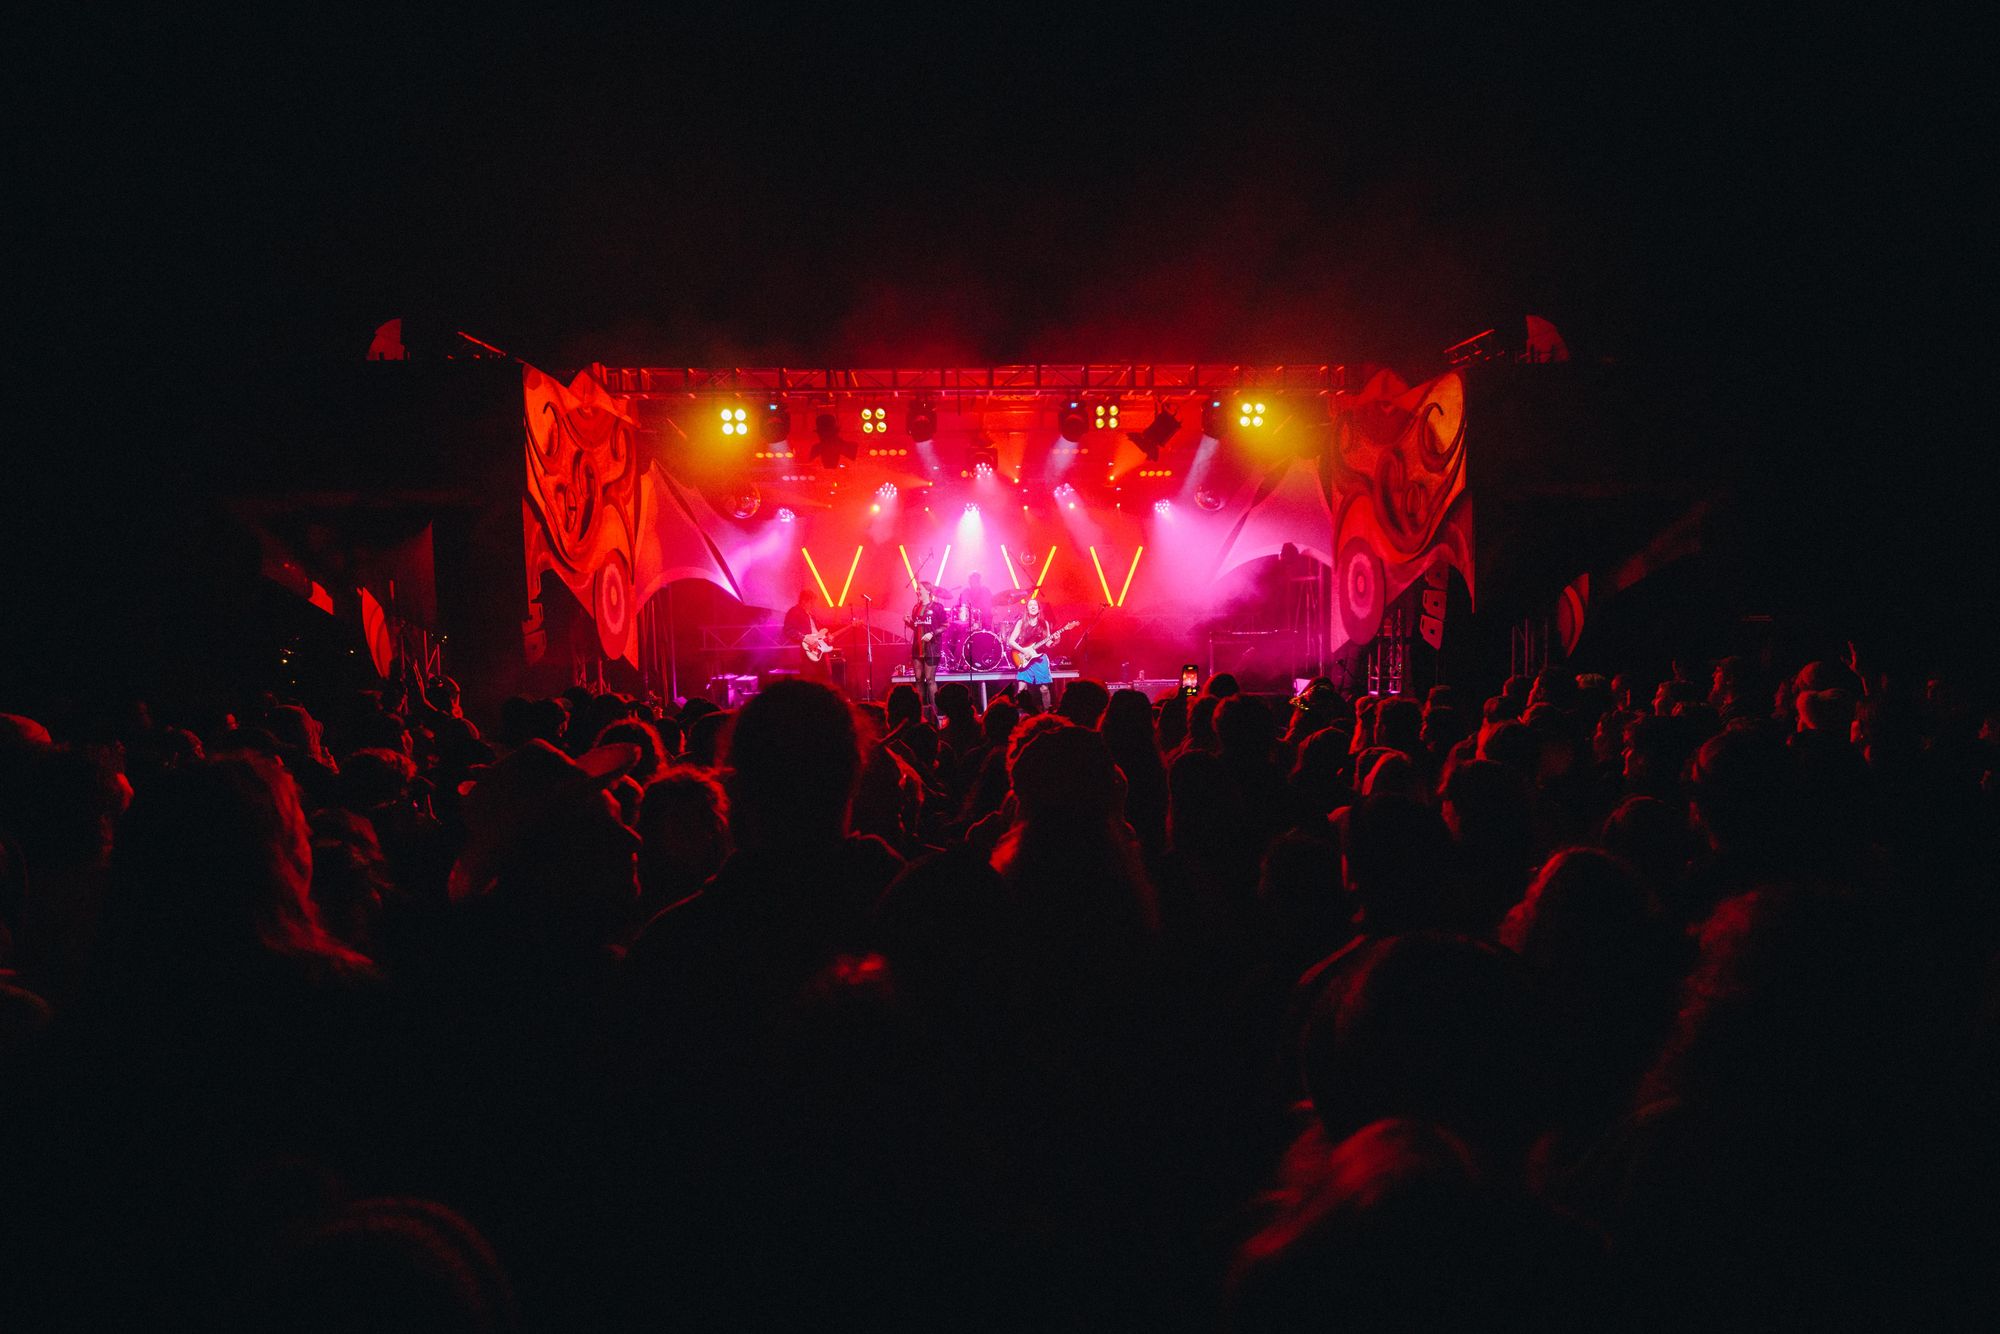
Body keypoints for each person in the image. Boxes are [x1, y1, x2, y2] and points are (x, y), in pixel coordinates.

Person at [1007, 594, 1063, 713]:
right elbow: (1011, 641)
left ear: (1038, 608)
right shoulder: (1021, 623)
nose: (1033, 607)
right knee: (1021, 690)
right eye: (1030, 605)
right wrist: (1024, 651)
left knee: (1044, 689)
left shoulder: (1045, 623)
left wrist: (1056, 640)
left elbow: (1048, 644)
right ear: (1027, 609)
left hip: (1039, 658)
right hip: (1024, 658)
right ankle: (1021, 715)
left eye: (1035, 605)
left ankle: (1047, 713)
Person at [906, 581, 949, 719]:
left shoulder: (937, 607)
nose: (918, 591)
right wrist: (908, 622)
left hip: (932, 647)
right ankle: (920, 712)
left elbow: (945, 625)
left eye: (920, 589)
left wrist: (932, 633)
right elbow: (916, 626)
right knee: (919, 679)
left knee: (930, 679)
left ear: (928, 591)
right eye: (918, 589)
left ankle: (936, 712)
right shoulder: (915, 608)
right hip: (917, 647)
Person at [782, 588, 832, 680]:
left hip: (819, 650)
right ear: (804, 601)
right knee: (810, 679)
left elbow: (820, 629)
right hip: (806, 652)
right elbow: (788, 630)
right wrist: (804, 638)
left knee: (824, 679)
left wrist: (828, 635)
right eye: (811, 602)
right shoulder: (794, 611)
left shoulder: (812, 614)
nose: (813, 605)